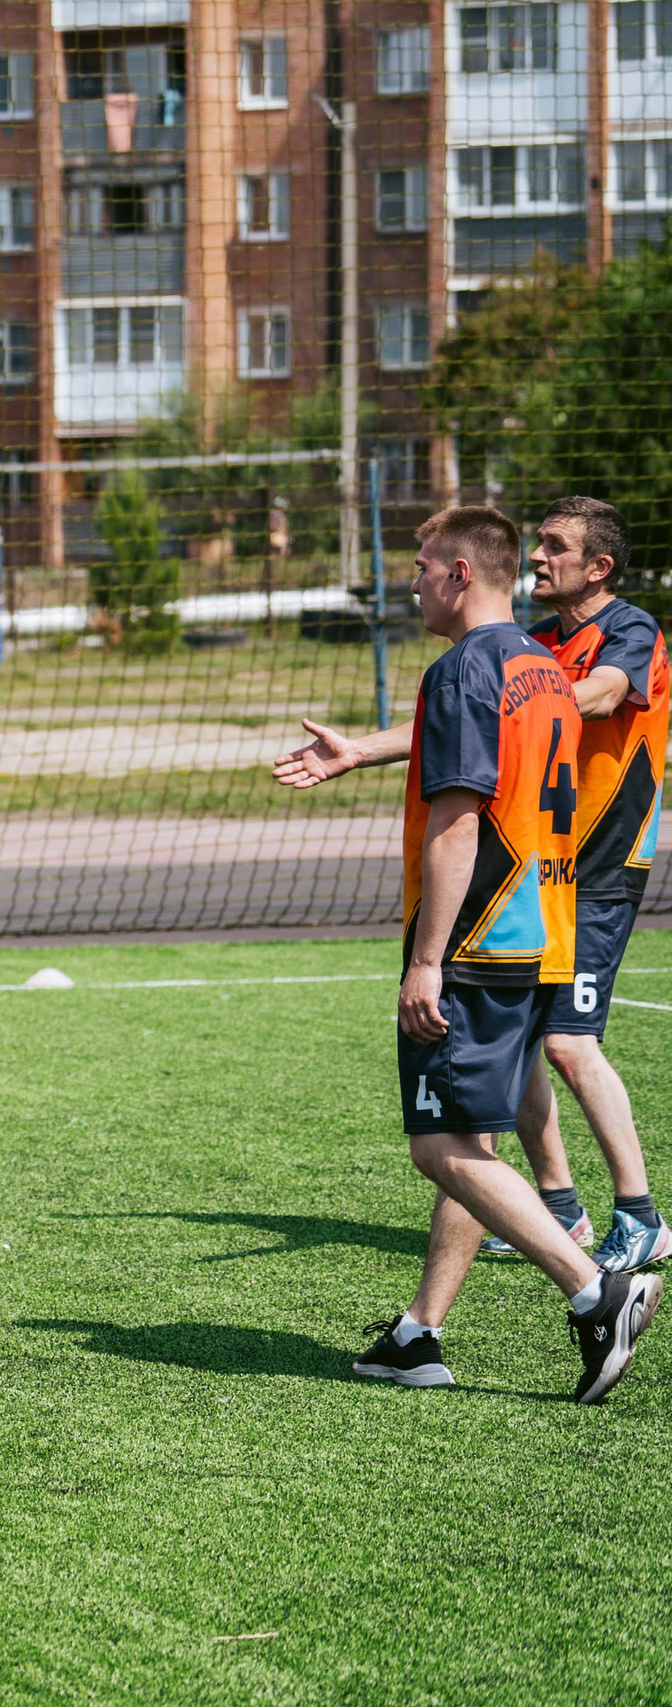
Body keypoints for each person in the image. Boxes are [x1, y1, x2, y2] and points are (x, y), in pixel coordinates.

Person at [274, 505, 655, 1400]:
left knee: (439, 1144)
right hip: (543, 933)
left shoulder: (461, 671)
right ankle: (419, 1335)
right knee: (474, 1133)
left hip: (479, 942)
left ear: (458, 574)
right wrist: (364, 749)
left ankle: (596, 1287)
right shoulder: (543, 666)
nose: (410, 579)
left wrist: (425, 961)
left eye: (419, 565)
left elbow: (457, 825)